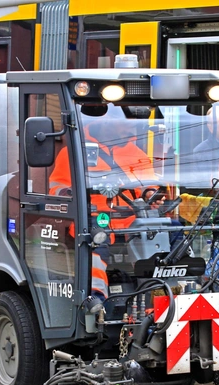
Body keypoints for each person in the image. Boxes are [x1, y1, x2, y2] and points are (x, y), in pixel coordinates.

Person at [49, 106, 158, 300]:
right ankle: (95, 299)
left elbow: (149, 187)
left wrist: (153, 195)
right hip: (93, 218)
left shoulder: (137, 154)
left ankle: (157, 293)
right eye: (127, 126)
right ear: (108, 122)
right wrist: (70, 193)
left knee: (169, 232)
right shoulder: (75, 151)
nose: (132, 131)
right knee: (96, 240)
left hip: (129, 221)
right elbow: (56, 187)